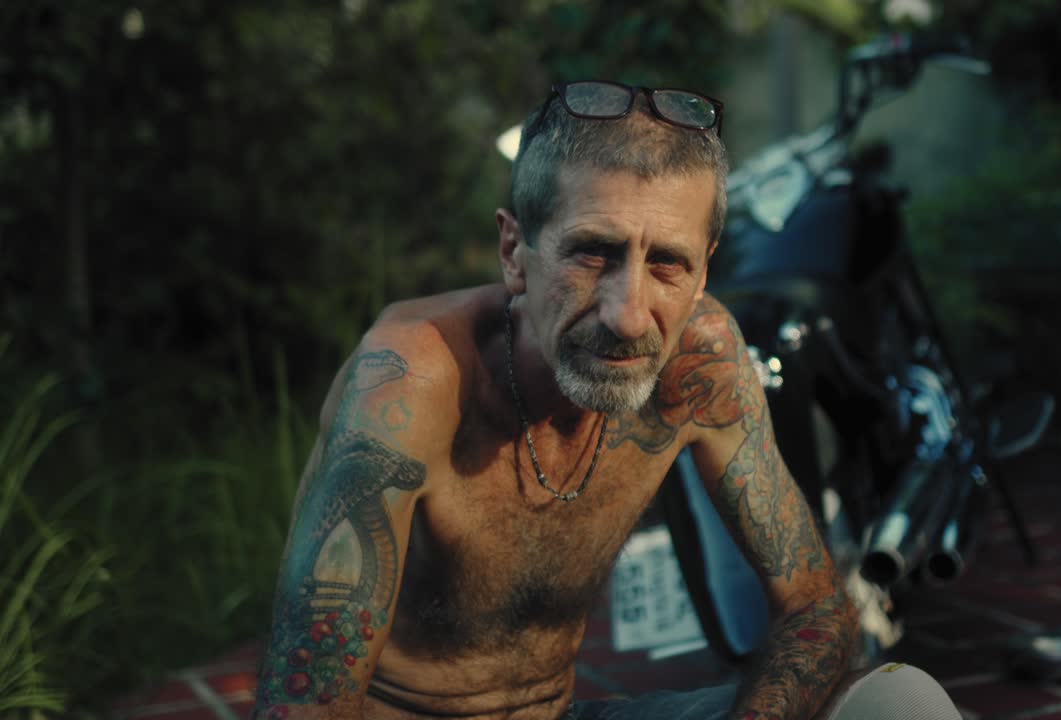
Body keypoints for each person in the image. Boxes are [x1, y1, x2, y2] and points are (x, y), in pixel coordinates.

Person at [251, 80, 962, 720]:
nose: (628, 313)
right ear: (513, 252)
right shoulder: (410, 379)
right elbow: (303, 708)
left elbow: (815, 607)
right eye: (593, 252)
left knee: (903, 705)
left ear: (705, 267)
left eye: (667, 263)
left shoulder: (701, 357)